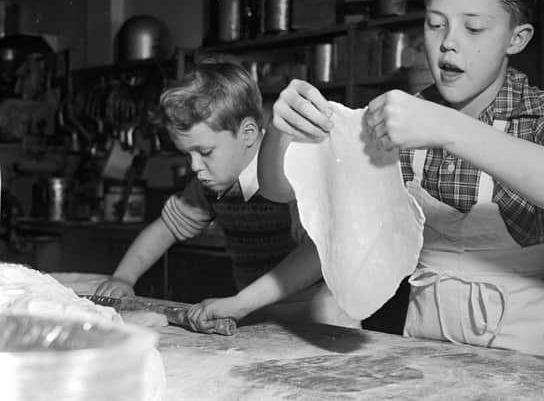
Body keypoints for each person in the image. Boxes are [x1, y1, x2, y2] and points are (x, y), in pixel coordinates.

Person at [258, 0, 544, 359]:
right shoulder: (401, 116)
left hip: (531, 356)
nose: (448, 43)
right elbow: (278, 190)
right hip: (425, 349)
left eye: (473, 27)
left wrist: (447, 127)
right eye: (435, 23)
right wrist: (280, 133)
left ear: (517, 38)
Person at [95, 62, 358, 332]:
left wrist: (241, 303)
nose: (194, 166)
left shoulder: (290, 166)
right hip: (257, 314)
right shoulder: (210, 184)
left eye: (205, 152)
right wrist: (124, 277)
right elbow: (165, 229)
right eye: (188, 155)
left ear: (247, 134)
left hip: (322, 319)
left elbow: (316, 255)